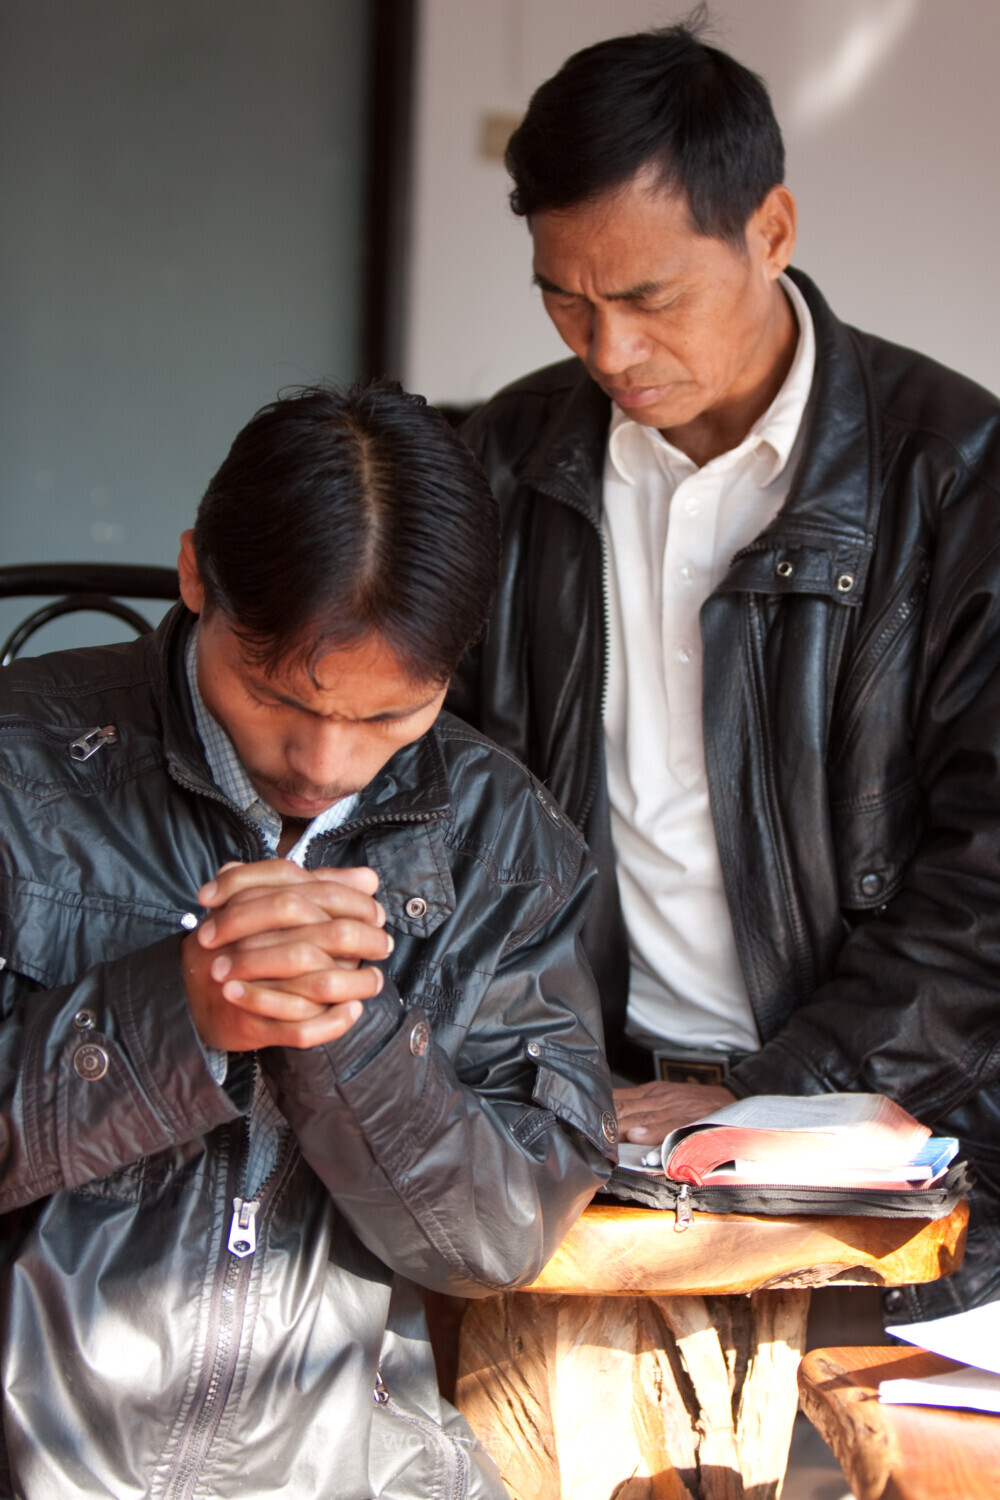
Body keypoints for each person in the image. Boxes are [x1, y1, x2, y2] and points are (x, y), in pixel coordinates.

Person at [447, 20, 1000, 1317]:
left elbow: (990, 874)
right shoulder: (501, 466)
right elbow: (439, 801)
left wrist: (786, 1091)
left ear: (772, 229)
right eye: (564, 297)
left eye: (647, 297)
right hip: (595, 1110)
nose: (607, 349)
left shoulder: (959, 478)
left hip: (887, 1123)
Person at [0, 380, 616, 1498]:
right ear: (196, 575)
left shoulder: (502, 840)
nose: (325, 764)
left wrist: (354, 1039)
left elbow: (501, 1238)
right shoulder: (17, 771)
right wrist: (172, 1018)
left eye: (390, 716)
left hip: (355, 1469)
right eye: (278, 696)